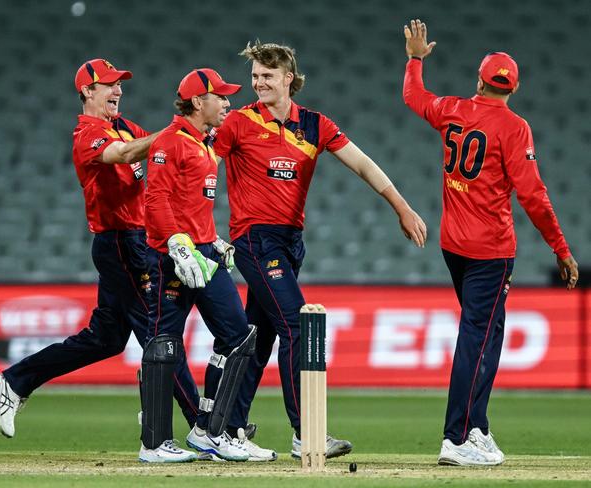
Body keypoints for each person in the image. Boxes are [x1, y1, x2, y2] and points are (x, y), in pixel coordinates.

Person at [213, 41, 428, 459]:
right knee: (297, 327)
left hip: (290, 243)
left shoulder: (315, 125)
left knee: (256, 340)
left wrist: (401, 207)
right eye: (255, 76)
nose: (258, 83)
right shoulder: (237, 123)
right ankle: (306, 433)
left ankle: (227, 428)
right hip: (256, 240)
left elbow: (363, 163)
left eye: (267, 76)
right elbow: (206, 164)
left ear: (289, 78)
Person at [0, 60, 201, 458]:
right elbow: (124, 155)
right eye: (109, 85)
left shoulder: (125, 126)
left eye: (119, 84)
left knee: (105, 339)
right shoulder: (87, 133)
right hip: (120, 243)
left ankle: (15, 381)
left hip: (135, 241)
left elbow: (158, 151)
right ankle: (200, 426)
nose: (118, 90)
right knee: (158, 331)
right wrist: (180, 130)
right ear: (87, 91)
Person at [402, 19, 579, 466]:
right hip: (490, 251)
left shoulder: (453, 109)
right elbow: (534, 196)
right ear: (512, 90)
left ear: (479, 80)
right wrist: (560, 247)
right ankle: (457, 437)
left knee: (487, 335)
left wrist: (416, 60)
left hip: (453, 245)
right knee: (477, 339)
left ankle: (476, 426)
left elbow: (414, 98)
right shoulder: (514, 128)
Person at [139, 68, 276, 463]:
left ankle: (208, 430)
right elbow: (157, 200)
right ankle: (153, 443)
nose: (228, 103)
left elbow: (191, 203)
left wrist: (210, 238)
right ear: (198, 102)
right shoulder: (169, 142)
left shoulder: (204, 145)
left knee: (239, 336)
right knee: (163, 345)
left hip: (203, 253)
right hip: (171, 258)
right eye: (221, 96)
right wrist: (177, 243)